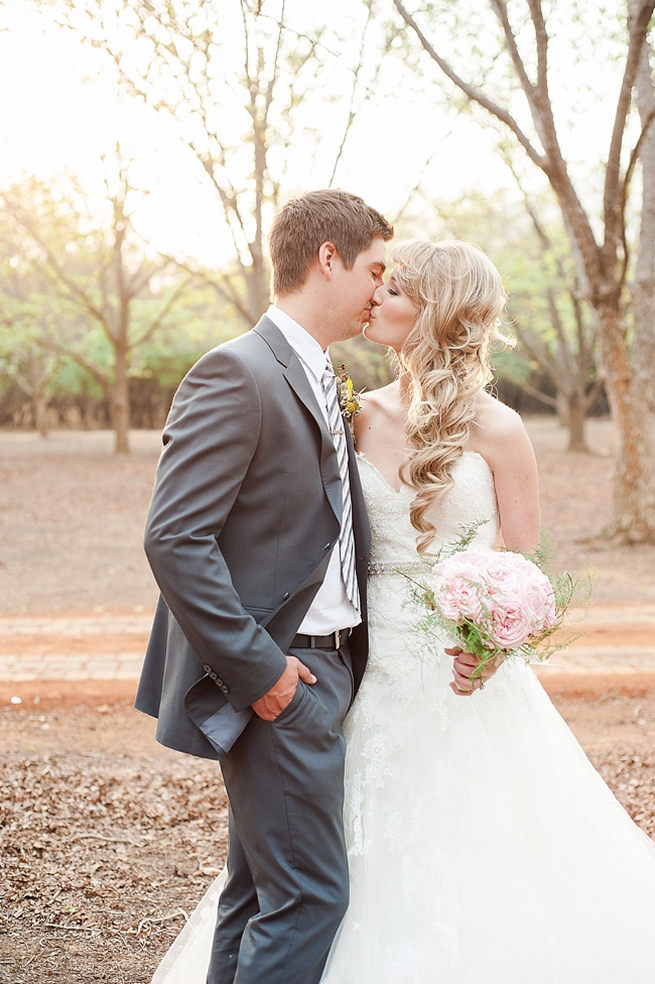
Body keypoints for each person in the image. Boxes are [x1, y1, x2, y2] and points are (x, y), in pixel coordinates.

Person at [149, 237, 655, 983]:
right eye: (376, 282)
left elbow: (525, 569)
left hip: (456, 678)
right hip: (352, 660)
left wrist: (493, 640)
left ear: (437, 311)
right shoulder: (346, 411)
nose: (375, 298)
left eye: (394, 289)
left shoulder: (500, 430)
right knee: (306, 861)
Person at [135, 188, 393, 984]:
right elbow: (174, 537)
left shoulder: (319, 372)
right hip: (283, 676)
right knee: (310, 897)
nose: (380, 292)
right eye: (374, 270)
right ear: (327, 259)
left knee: (255, 897)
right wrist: (265, 676)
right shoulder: (236, 371)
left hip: (330, 665)